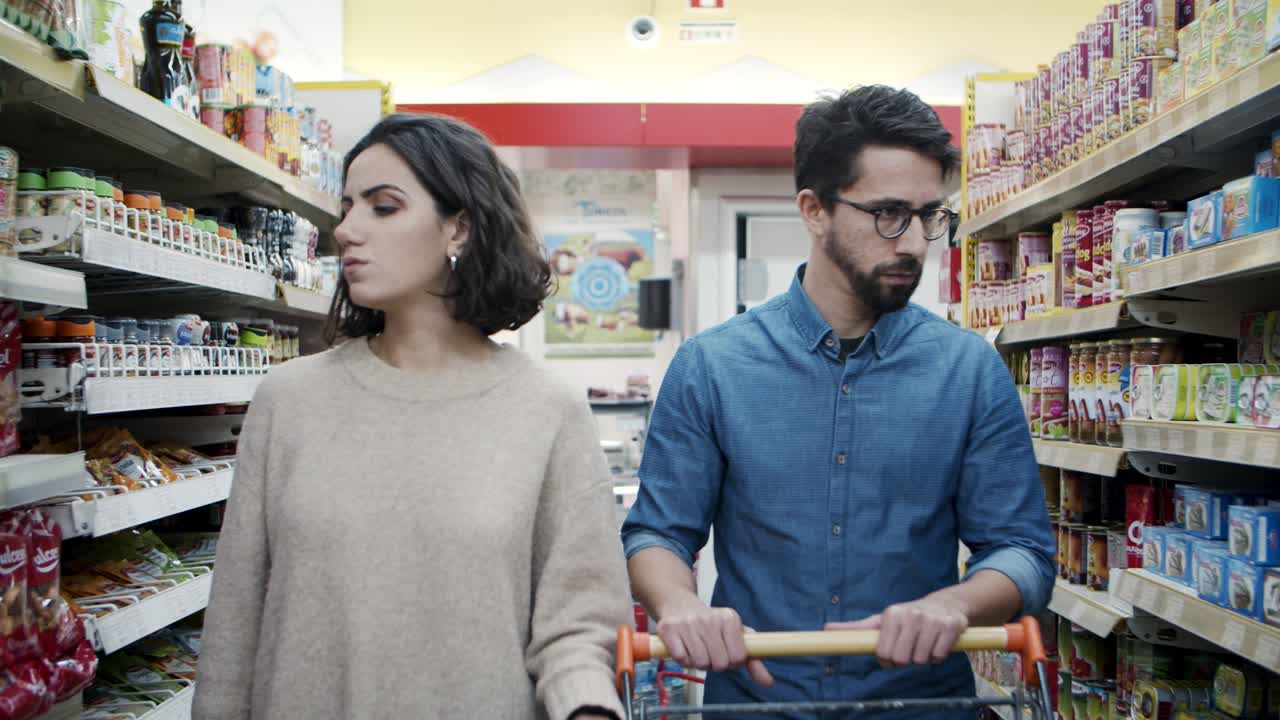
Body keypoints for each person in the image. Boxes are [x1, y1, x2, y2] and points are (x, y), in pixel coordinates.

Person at [622, 86, 1054, 718]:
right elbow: (659, 530)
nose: (912, 243)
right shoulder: (712, 366)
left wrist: (952, 605)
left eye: (930, 216)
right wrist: (680, 605)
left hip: (919, 704)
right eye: (887, 214)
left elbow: (1022, 551)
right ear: (814, 209)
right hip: (758, 705)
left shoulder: (969, 371)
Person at [194, 114, 630, 720]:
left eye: (383, 207)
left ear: (459, 228)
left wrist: (586, 706)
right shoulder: (288, 401)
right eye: (346, 207)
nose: (345, 230)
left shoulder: (547, 411)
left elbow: (578, 626)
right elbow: (234, 627)